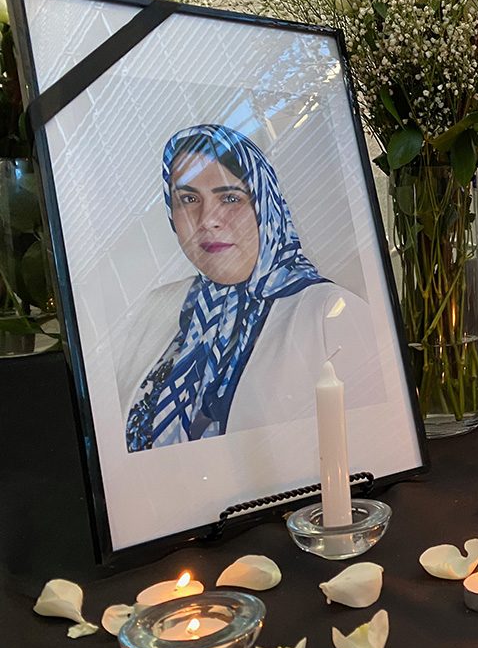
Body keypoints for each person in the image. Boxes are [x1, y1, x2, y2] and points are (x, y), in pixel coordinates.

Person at [120, 125, 376, 452]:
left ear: (265, 206)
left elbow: (368, 453)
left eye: (230, 197)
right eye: (187, 198)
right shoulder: (157, 308)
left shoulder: (331, 314)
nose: (207, 220)